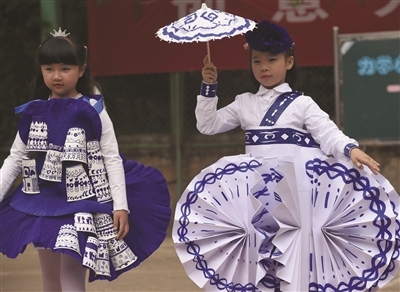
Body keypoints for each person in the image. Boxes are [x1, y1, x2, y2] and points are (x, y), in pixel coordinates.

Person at [172, 20, 399, 292]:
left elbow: (327, 132)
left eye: (272, 59)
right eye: (257, 61)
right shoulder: (245, 103)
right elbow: (207, 125)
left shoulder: (301, 103)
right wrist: (209, 87)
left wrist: (350, 149)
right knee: (263, 256)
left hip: (297, 195)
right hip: (260, 193)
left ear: (289, 62)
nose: (264, 67)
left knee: (298, 258)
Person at [0, 28, 171, 292]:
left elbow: (111, 158)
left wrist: (120, 206)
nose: (56, 76)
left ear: (81, 69)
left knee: (71, 276)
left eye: (65, 68)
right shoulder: (34, 111)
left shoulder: (93, 110)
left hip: (81, 204)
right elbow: (15, 159)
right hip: (41, 204)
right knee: (50, 279)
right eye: (49, 68)